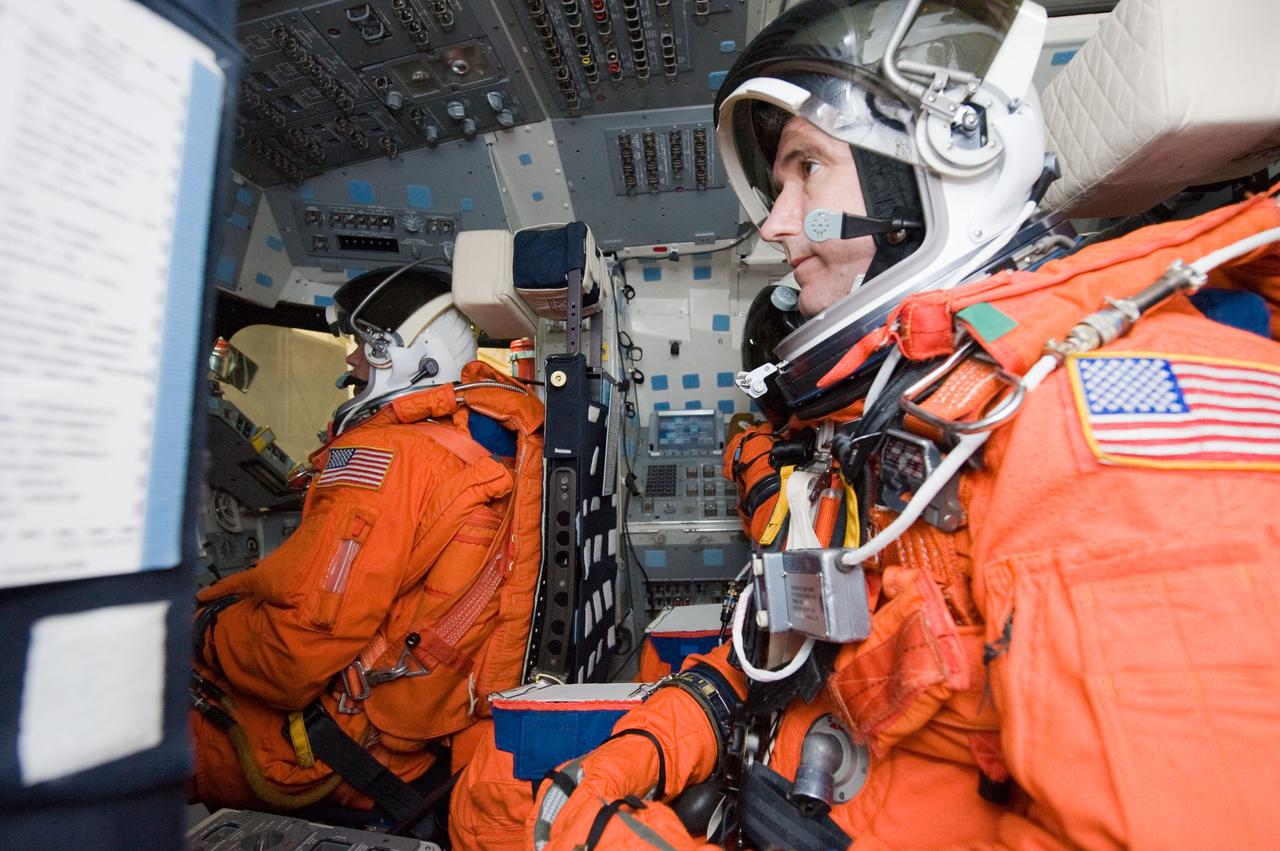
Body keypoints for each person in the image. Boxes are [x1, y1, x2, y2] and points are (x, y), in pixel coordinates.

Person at [526, 0, 1280, 848]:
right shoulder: (913, 427)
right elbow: (790, 647)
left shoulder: (1104, 423)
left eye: (807, 170)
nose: (778, 226)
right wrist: (647, 746)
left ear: (942, 166)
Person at [189, 265, 545, 835]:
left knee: (126, 720)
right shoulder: (483, 443)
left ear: (401, 355)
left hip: (335, 752)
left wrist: (203, 629)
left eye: (362, 345)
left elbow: (293, 657)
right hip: (421, 732)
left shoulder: (387, 461)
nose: (352, 362)